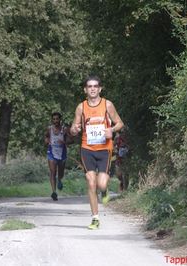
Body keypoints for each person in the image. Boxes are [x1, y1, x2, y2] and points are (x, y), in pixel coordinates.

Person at [70, 76, 124, 229]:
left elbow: (120, 123)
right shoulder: (81, 107)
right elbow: (74, 128)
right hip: (87, 148)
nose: (92, 89)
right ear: (85, 90)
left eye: (95, 86)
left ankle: (105, 190)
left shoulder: (107, 105)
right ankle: (95, 218)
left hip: (104, 150)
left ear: (100, 89)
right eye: (89, 86)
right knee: (91, 182)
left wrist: (111, 130)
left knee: (101, 183)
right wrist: (74, 129)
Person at [45, 112, 69, 201]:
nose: (55, 121)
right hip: (51, 152)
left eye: (57, 119)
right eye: (54, 119)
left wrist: (64, 142)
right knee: (53, 171)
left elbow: (71, 140)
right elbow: (46, 137)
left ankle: (59, 180)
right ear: (52, 120)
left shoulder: (65, 129)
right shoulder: (49, 129)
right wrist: (47, 141)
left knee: (61, 172)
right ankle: (54, 192)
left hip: (62, 153)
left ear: (60, 120)